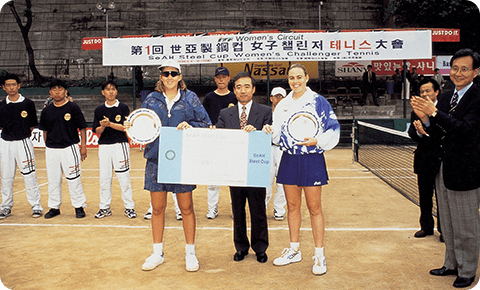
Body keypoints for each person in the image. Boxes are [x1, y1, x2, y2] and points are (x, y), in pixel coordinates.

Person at [410, 48, 480, 288]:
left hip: (466, 171)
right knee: (448, 222)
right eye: (455, 68)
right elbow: (442, 131)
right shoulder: (449, 95)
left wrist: (434, 113)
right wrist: (427, 120)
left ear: (476, 72)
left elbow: (465, 130)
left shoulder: (477, 98)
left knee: (466, 224)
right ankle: (451, 263)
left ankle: (468, 270)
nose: (458, 73)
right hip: (444, 168)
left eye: (464, 69)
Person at [263, 63, 340, 276]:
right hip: (289, 158)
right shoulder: (283, 104)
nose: (295, 81)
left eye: (299, 77)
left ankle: (319, 254)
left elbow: (333, 129)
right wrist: (269, 131)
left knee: (314, 208)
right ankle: (294, 249)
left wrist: (318, 140)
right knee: (293, 206)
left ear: (307, 77)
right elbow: (278, 135)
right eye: (291, 78)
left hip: (312, 159)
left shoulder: (318, 101)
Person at [136, 60, 211, 272]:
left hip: (183, 160)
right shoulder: (151, 99)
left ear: (180, 76)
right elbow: (143, 124)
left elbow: (205, 123)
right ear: (161, 77)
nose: (169, 77)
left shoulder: (191, 98)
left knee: (186, 208)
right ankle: (157, 253)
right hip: (156, 159)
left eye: (173, 73)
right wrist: (133, 126)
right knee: (158, 209)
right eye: (165, 73)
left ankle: (190, 253)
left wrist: (191, 125)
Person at [215, 71, 271, 264]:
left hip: (256, 168)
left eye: (247, 86)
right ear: (234, 90)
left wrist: (257, 133)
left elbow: (269, 135)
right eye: (238, 87)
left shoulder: (265, 112)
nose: (243, 90)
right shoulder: (225, 113)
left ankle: (260, 247)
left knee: (258, 210)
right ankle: (241, 247)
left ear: (253, 89)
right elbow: (219, 138)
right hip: (234, 170)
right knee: (237, 211)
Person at [39, 79, 88, 219]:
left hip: (69, 148)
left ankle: (79, 206)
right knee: (53, 179)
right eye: (54, 89)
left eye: (60, 89)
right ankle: (54, 207)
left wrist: (83, 147)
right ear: (50, 92)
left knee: (74, 178)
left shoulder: (73, 108)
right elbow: (45, 131)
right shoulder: (47, 110)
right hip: (52, 150)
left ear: (65, 91)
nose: (57, 92)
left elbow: (82, 128)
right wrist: (48, 146)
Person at [0, 73, 43, 219]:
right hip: (5, 143)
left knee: (29, 175)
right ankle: (6, 206)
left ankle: (36, 205)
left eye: (14, 84)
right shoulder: (1, 105)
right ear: (3, 87)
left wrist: (20, 135)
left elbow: (31, 125)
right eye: (8, 85)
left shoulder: (28, 104)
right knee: (6, 176)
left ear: (18, 86)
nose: (11, 87)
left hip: (23, 143)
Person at [92, 80, 136, 219]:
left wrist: (110, 124)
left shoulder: (122, 107)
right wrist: (104, 126)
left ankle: (129, 207)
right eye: (107, 89)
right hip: (104, 147)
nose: (110, 91)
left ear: (116, 91)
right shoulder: (99, 110)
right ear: (103, 92)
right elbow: (97, 130)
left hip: (120, 145)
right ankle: (104, 207)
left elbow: (124, 127)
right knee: (104, 178)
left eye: (113, 89)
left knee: (124, 178)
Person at [407, 78, 442, 242]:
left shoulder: (444, 110)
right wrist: (419, 132)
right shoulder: (416, 111)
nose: (424, 94)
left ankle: (444, 231)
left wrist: (426, 131)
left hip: (442, 160)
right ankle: (426, 227)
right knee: (425, 196)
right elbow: (411, 133)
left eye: (427, 91)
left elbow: (444, 134)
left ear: (436, 92)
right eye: (422, 91)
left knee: (442, 198)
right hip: (424, 161)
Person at [202, 66, 237, 219]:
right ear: (215, 79)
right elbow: (204, 118)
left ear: (229, 78)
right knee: (212, 177)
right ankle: (212, 207)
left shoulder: (235, 97)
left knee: (233, 177)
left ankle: (235, 208)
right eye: (218, 77)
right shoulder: (209, 98)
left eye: (224, 76)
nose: (221, 79)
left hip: (232, 141)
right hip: (213, 140)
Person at [265, 87, 287, 221]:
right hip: (267, 149)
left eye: (281, 96)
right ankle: (262, 208)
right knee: (265, 181)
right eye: (276, 96)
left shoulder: (288, 113)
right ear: (271, 98)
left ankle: (279, 210)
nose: (278, 99)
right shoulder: (265, 113)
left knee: (282, 182)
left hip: (282, 149)